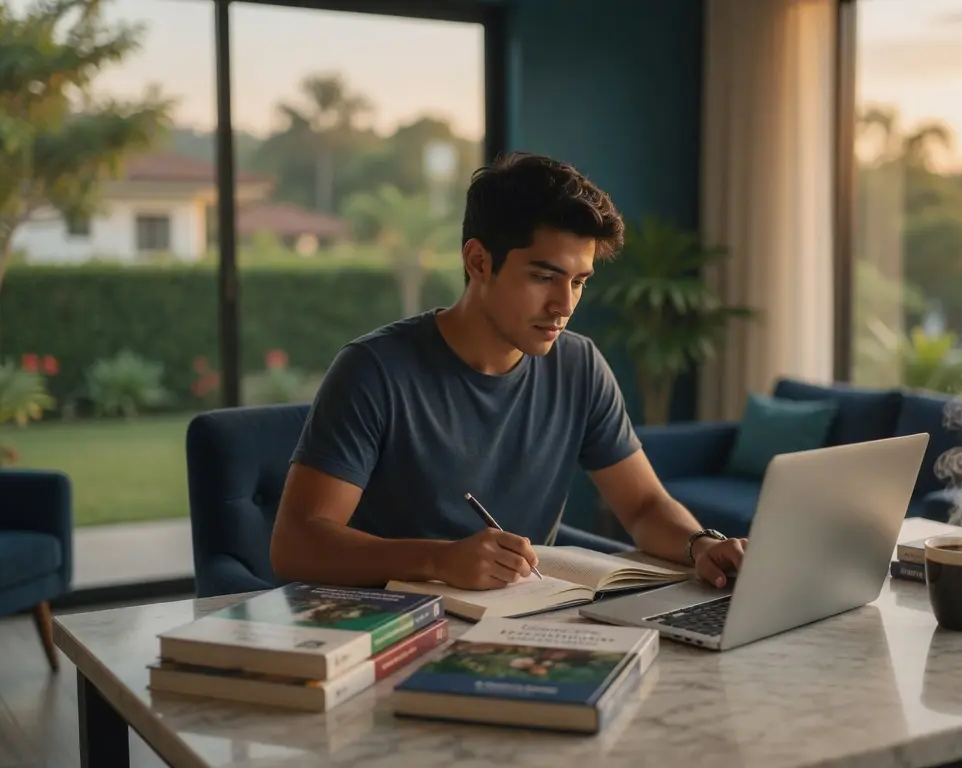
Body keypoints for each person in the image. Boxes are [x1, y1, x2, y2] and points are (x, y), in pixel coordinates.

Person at [270, 151, 747, 592]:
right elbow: (296, 545)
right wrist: (439, 560)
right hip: (389, 628)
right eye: (544, 277)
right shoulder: (373, 371)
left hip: (520, 624)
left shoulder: (580, 367)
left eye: (578, 282)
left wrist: (699, 543)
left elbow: (643, 507)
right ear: (479, 261)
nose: (564, 306)